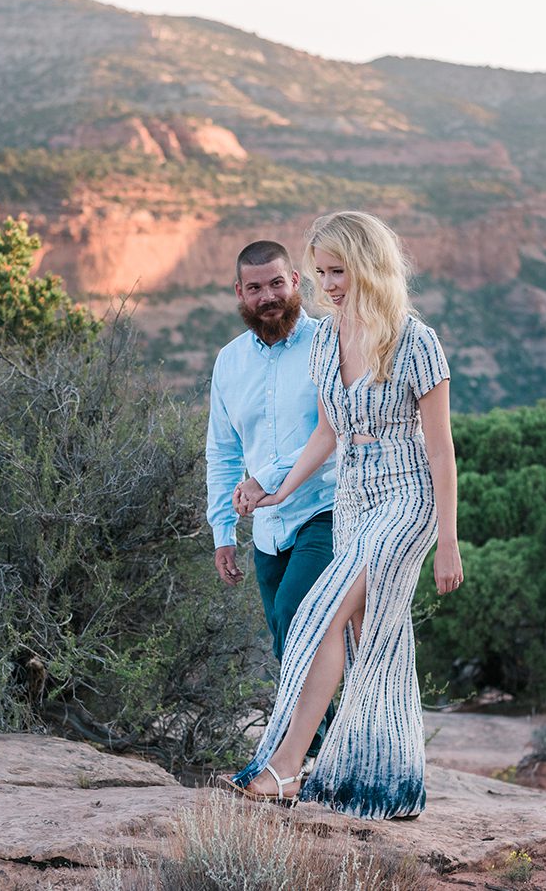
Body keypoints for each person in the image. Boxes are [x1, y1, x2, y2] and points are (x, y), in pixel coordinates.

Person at [224, 211, 464, 820]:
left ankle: (281, 768)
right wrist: (279, 491)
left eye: (340, 271)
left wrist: (448, 541)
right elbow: (331, 429)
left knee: (315, 615)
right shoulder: (328, 339)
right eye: (322, 272)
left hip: (407, 501)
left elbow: (441, 450)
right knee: (362, 640)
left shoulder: (415, 341)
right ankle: (380, 782)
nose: (329, 284)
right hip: (355, 500)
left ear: (369, 267)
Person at [206, 240, 338, 759]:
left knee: (295, 619)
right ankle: (319, 752)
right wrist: (222, 532)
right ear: (240, 293)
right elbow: (220, 451)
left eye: (277, 284)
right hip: (266, 531)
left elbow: (336, 434)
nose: (269, 297)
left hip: (325, 511)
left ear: (296, 284)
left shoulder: (327, 342)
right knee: (291, 644)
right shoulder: (229, 363)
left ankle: (303, 753)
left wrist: (265, 476)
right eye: (256, 288)